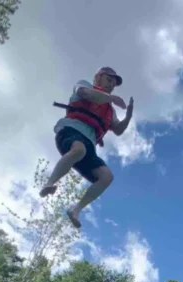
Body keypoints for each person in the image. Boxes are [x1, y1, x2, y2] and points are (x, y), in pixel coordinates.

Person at [40, 66, 133, 229]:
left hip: (89, 147)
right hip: (70, 132)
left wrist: (128, 117)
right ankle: (50, 183)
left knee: (107, 177)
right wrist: (111, 98)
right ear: (98, 78)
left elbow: (118, 130)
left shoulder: (110, 111)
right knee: (79, 149)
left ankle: (75, 210)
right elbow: (87, 95)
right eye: (109, 80)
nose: (111, 85)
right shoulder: (84, 85)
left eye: (114, 83)